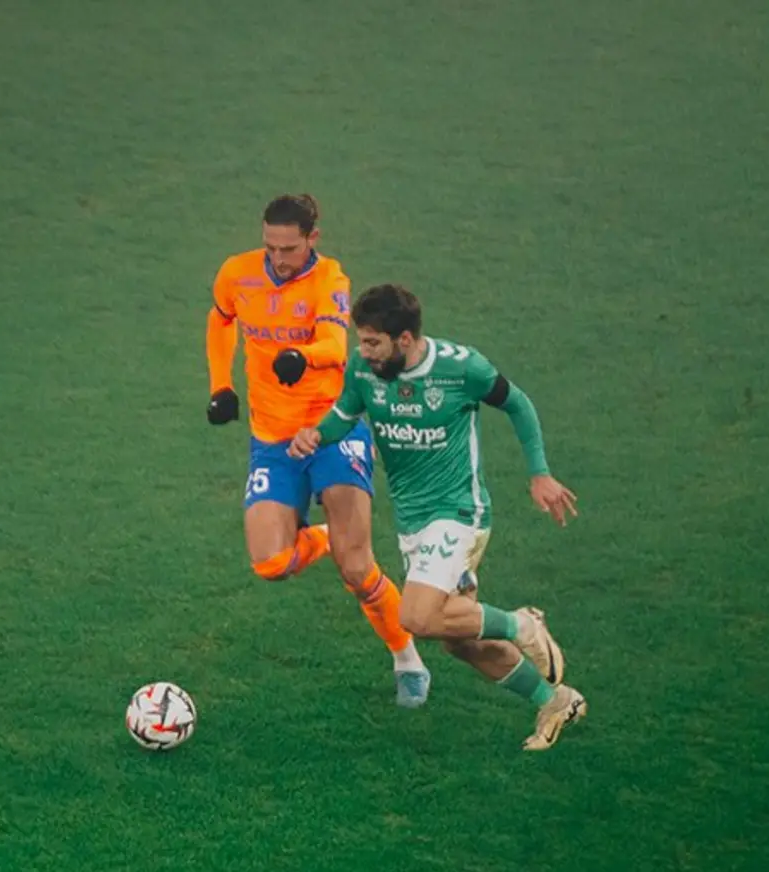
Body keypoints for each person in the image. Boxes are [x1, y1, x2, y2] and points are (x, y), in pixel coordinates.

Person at [288, 283, 587, 750]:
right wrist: (314, 435)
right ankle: (556, 700)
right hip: (413, 521)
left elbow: (518, 403)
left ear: (404, 339)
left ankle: (523, 624)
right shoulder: (364, 372)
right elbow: (343, 416)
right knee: (459, 640)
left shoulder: (460, 368)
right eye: (360, 341)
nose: (362, 352)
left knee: (418, 616)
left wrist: (540, 473)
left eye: (372, 342)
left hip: (459, 512)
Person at [204, 196, 430, 707]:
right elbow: (220, 320)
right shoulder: (237, 274)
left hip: (333, 430)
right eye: (270, 246)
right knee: (271, 564)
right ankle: (323, 536)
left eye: (288, 247)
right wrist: (222, 385)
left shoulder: (331, 281)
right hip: (272, 440)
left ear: (312, 238)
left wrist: (298, 357)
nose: (278, 258)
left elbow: (334, 346)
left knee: (357, 568)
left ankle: (406, 657)